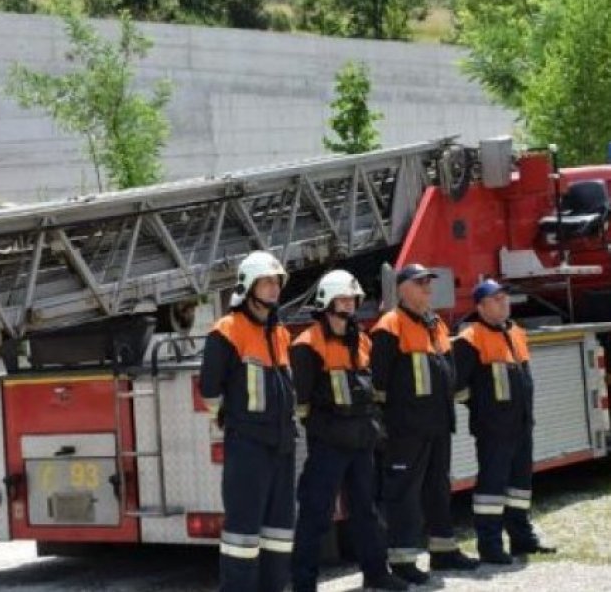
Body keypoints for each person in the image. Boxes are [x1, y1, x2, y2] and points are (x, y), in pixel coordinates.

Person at [290, 270, 407, 592]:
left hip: (362, 444)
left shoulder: (363, 340)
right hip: (328, 446)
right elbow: (303, 405)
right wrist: (328, 432)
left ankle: (376, 574)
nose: (349, 305)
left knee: (366, 512)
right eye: (342, 299)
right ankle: (304, 583)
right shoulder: (307, 345)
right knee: (316, 513)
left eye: (352, 299)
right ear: (326, 303)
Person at [370, 263, 479, 585]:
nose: (428, 289)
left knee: (437, 489)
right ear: (402, 288)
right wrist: (383, 426)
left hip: (437, 425)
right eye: (420, 284)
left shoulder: (435, 324)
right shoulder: (389, 327)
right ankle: (402, 560)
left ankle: (443, 550)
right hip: (406, 428)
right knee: (403, 493)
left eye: (428, 283)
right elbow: (378, 384)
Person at [199, 250, 297, 592]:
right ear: (248, 286)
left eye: (277, 282)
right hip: (248, 447)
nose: (274, 288)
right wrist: (235, 423)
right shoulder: (227, 330)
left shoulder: (280, 332)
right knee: (242, 534)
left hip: (282, 446)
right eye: (266, 282)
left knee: (280, 532)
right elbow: (210, 390)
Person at [453, 279, 557, 563]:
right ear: (481, 306)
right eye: (496, 299)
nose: (504, 303)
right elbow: (457, 386)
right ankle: (490, 546)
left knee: (520, 487)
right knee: (491, 488)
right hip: (493, 429)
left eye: (505, 298)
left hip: (522, 425)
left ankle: (522, 539)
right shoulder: (470, 339)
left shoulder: (516, 332)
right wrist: (482, 408)